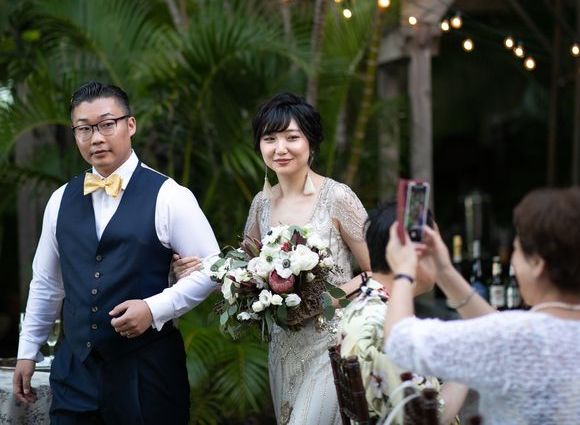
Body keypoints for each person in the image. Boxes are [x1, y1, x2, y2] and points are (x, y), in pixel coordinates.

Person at [13, 82, 220, 424]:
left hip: (148, 374)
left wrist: (153, 308)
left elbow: (213, 269)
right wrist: (27, 351)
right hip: (74, 374)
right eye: (84, 128)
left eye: (107, 124)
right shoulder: (59, 200)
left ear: (130, 125)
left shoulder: (170, 196)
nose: (96, 138)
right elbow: (47, 282)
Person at [174, 92, 371, 425]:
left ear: (311, 142)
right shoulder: (261, 204)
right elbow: (243, 273)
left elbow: (379, 272)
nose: (280, 148)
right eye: (270, 139)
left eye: (292, 137)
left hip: (333, 342)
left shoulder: (337, 197)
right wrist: (199, 267)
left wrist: (324, 302)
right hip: (282, 349)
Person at [384, 186, 580, 425]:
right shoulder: (519, 333)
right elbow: (495, 324)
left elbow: (400, 342)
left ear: (537, 264)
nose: (513, 261)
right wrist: (444, 270)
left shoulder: (515, 337)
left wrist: (404, 271)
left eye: (517, 251)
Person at [337, 200, 466, 424]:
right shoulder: (380, 325)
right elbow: (431, 417)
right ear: (411, 254)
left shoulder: (367, 305)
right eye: (434, 248)